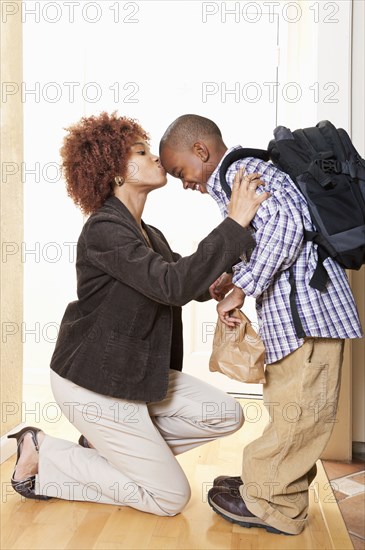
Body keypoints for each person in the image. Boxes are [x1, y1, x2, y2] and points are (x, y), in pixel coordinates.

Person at [7, 112, 269, 516]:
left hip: (136, 374)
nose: (156, 158)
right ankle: (44, 454)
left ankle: (109, 447)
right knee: (169, 498)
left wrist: (219, 287)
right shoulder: (104, 230)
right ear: (114, 171)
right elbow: (169, 284)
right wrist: (235, 222)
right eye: (142, 152)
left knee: (226, 414)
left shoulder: (148, 232)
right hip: (95, 382)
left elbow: (181, 278)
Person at [159, 114, 363, 534]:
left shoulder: (239, 172)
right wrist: (234, 275)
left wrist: (243, 287)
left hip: (309, 314)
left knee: (300, 414)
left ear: (201, 151)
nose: (184, 183)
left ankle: (272, 506)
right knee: (291, 408)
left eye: (182, 172)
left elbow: (286, 229)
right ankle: (269, 486)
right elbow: (270, 232)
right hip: (301, 313)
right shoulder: (241, 175)